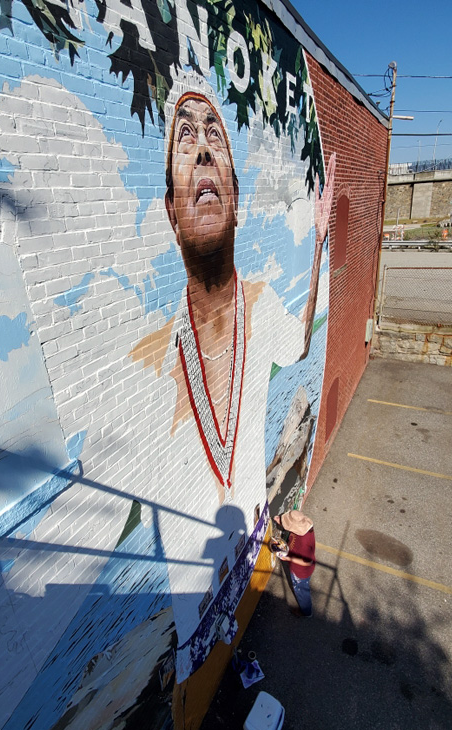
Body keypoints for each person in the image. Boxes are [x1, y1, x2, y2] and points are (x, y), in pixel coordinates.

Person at [129, 71, 335, 678]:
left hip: (242, 548)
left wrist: (319, 245)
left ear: (238, 200)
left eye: (214, 135)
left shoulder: (264, 302)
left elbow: (299, 348)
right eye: (184, 140)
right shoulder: (155, 354)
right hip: (190, 600)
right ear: (171, 208)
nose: (201, 150)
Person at [272, 510, 315, 617]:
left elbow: (307, 561)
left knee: (301, 590)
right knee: (300, 587)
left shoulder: (304, 543)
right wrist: (279, 519)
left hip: (300, 572)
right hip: (299, 569)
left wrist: (289, 558)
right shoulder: (304, 528)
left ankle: (306, 612)